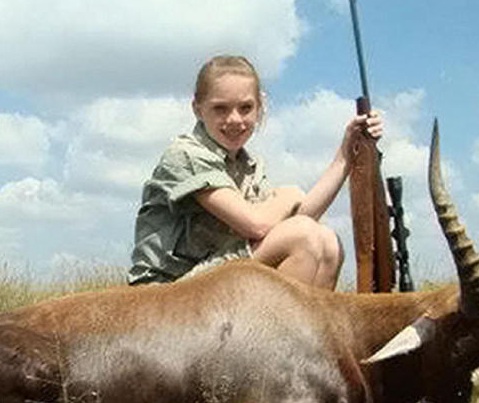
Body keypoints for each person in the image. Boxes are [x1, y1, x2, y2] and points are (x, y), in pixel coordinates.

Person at [129, 55, 383, 289]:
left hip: (206, 283)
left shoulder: (247, 165)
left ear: (259, 106)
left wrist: (346, 156)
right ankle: (281, 336)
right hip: (163, 295)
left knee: (327, 242)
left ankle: (307, 336)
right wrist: (289, 195)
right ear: (197, 108)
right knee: (304, 236)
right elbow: (257, 225)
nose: (235, 120)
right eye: (220, 108)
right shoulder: (185, 154)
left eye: (246, 108)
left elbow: (300, 218)